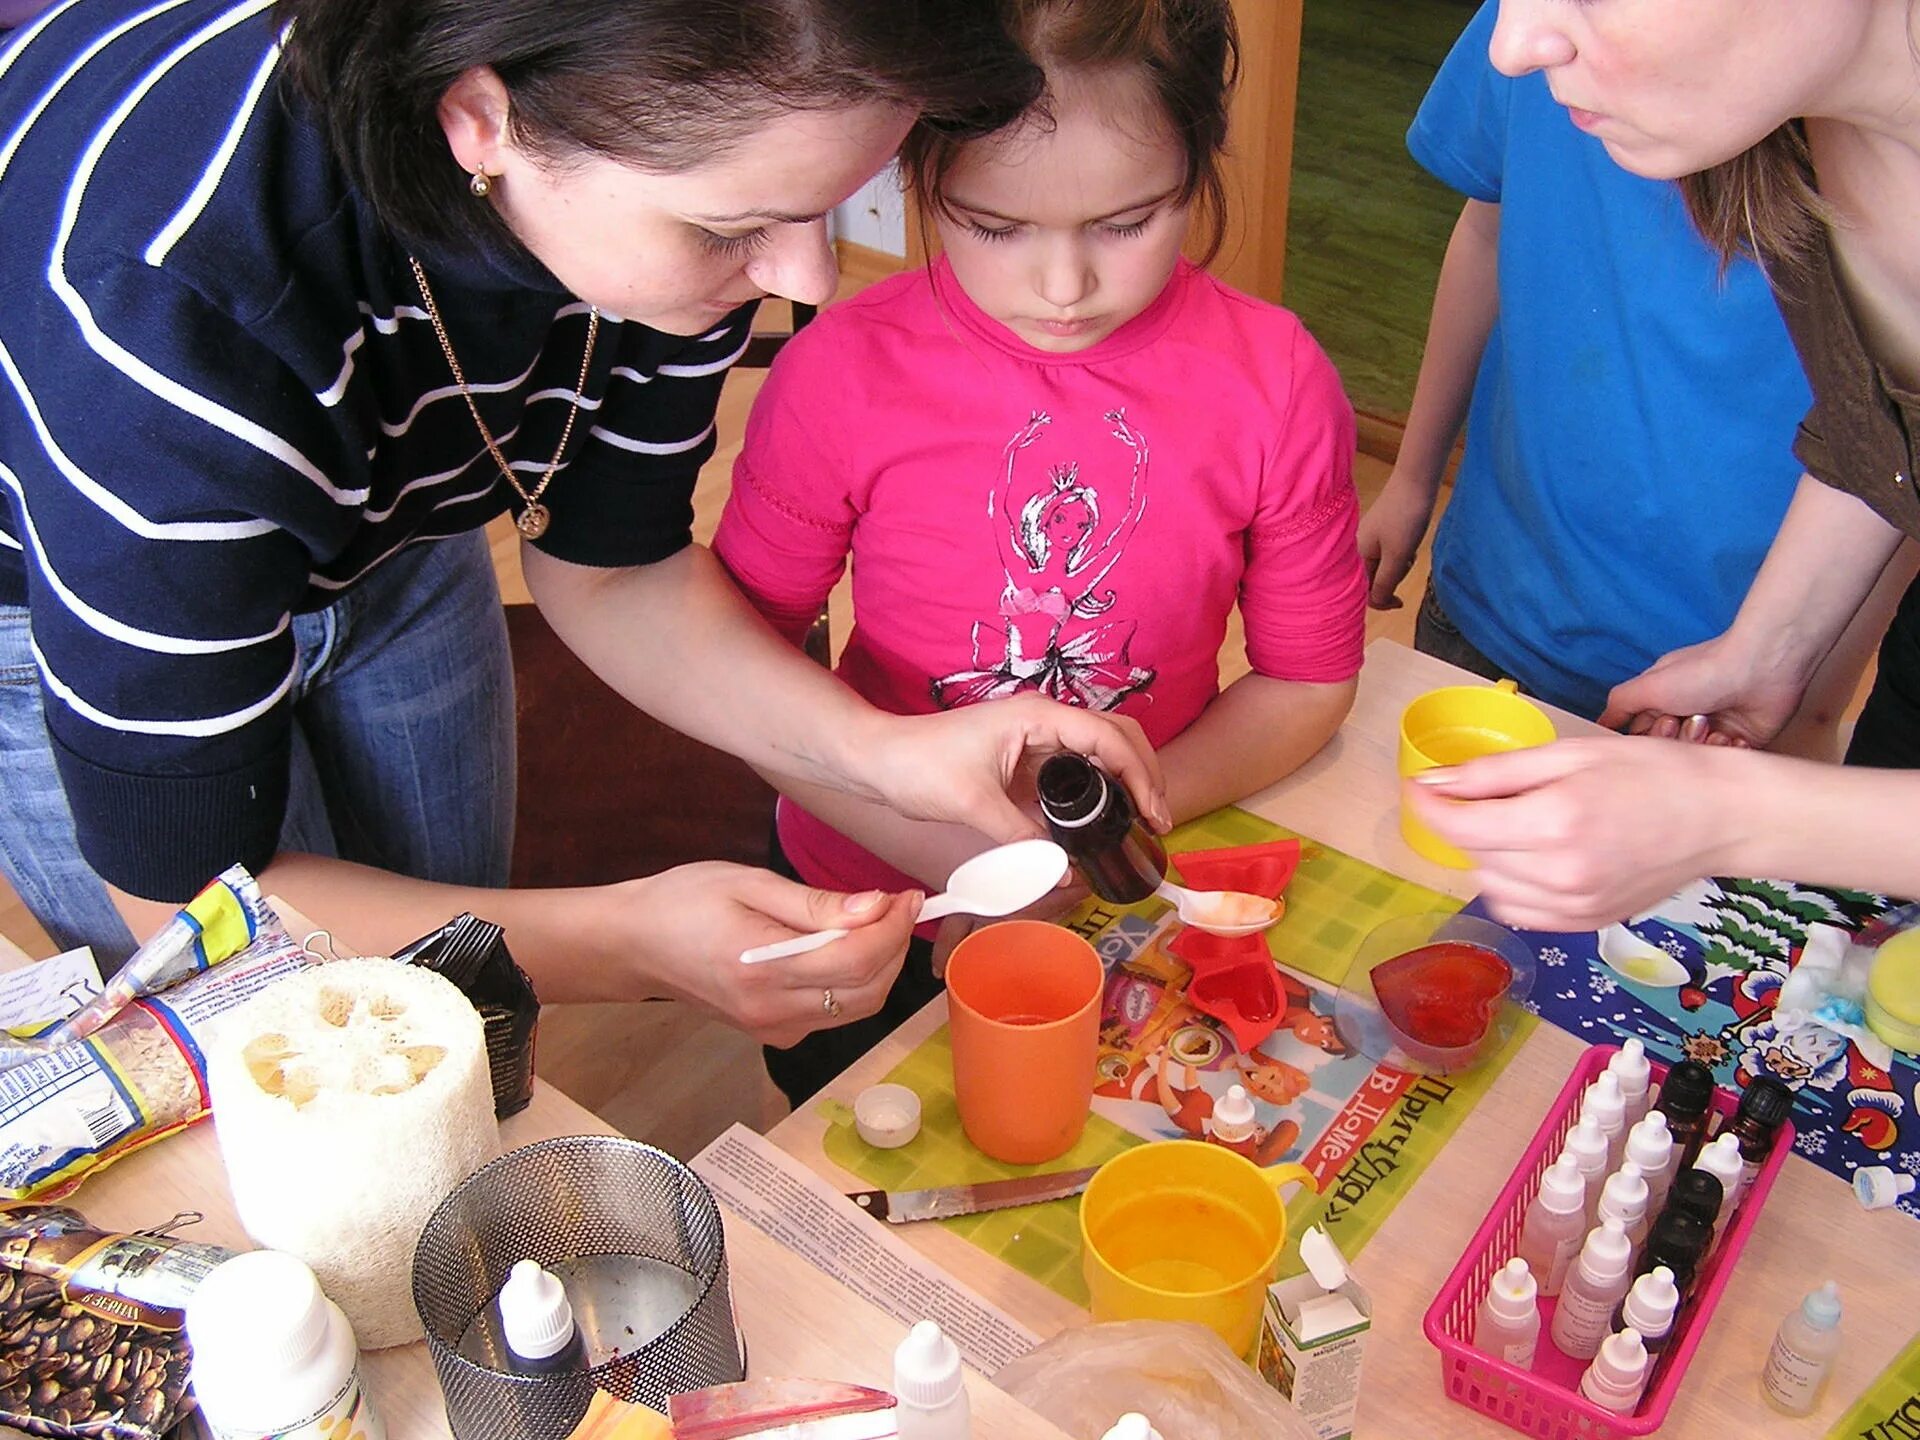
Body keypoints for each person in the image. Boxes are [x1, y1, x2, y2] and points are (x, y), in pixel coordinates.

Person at [0, 0, 1170, 1050]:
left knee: (447, 1006)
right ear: (483, 123)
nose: (804, 280)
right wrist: (624, 945)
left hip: (385, 528)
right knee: (276, 1065)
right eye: (733, 229)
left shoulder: (659, 184)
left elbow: (615, 568)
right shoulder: (169, 318)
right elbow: (203, 924)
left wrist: (883, 754)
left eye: (834, 208)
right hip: (58, 571)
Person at [714, 0, 1367, 1099]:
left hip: (1123, 887)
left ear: (1202, 164)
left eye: (1127, 221)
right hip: (874, 893)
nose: (1063, 289)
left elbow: (1309, 680)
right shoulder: (840, 375)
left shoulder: (1275, 379)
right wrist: (958, 866)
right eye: (994, 227)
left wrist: (1096, 844)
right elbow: (731, 672)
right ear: (914, 176)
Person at [1405, 0, 1920, 931]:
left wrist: (1723, 815)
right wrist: (1769, 650)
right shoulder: (1797, 126)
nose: (1517, 45)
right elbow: (1889, 428)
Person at [1360, 0, 1845, 733]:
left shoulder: (1864, 173)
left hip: (1710, 691)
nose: (1515, 46)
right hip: (1493, 602)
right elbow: (1485, 234)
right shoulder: (1534, 42)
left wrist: (1807, 699)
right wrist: (1412, 475)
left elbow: (1887, 464)